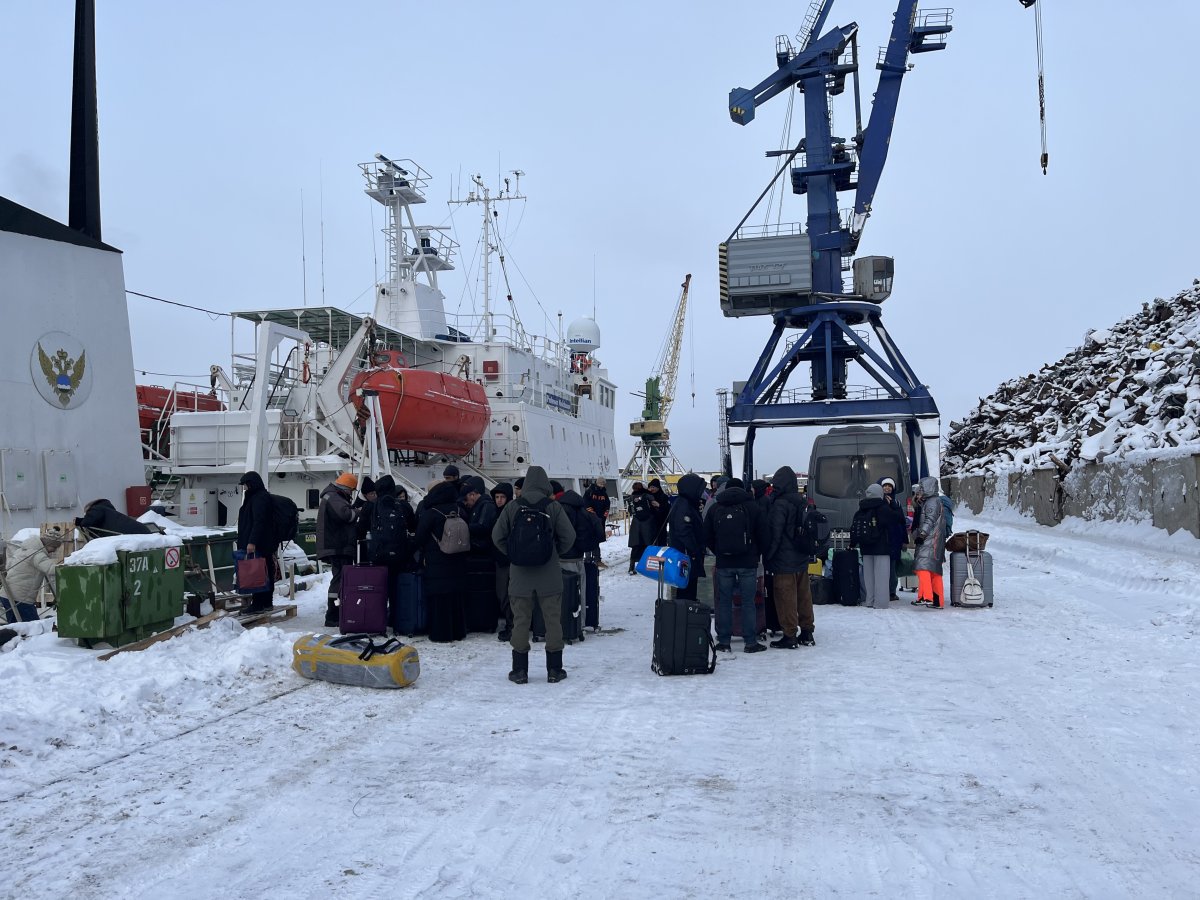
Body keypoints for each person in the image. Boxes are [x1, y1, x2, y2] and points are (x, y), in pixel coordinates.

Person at [492, 465, 576, 684]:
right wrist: (553, 553)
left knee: (520, 621)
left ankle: (519, 670)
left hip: (520, 575)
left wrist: (513, 554)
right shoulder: (553, 506)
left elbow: (497, 536)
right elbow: (569, 536)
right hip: (549, 574)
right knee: (553, 622)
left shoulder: (512, 507)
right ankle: (555, 670)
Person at [704, 477, 766, 653]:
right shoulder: (753, 507)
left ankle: (724, 641)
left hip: (724, 562)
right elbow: (764, 533)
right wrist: (755, 553)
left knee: (723, 602)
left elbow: (706, 534)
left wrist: (718, 551)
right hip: (748, 563)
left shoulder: (716, 507)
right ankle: (750, 642)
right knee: (748, 602)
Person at [763, 465, 815, 648]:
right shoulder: (802, 501)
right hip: (801, 556)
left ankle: (790, 635)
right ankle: (807, 632)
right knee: (804, 596)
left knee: (785, 596)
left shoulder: (780, 504)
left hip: (783, 560)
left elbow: (775, 534)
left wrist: (768, 556)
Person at [413, 479, 468, 642]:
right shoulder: (460, 509)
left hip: (437, 562)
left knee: (439, 600)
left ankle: (441, 634)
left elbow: (419, 537)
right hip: (459, 561)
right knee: (455, 598)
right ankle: (459, 632)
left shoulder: (432, 512)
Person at [316, 472, 359, 627]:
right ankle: (333, 615)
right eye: (352, 491)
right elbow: (346, 515)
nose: (352, 494)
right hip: (338, 546)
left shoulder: (331, 496)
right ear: (347, 487)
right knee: (339, 580)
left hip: (336, 545)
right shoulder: (334, 497)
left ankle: (335, 613)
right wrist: (359, 511)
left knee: (339, 579)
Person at [852, 484, 902, 609]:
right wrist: (893, 505)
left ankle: (870, 600)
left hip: (866, 547)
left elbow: (854, 526)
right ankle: (880, 603)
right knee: (881, 576)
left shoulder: (861, 508)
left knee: (868, 576)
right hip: (881, 547)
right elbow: (898, 518)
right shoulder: (883, 507)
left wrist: (852, 544)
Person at [236, 470, 279, 615]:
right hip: (264, 543)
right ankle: (266, 602)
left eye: (246, 485)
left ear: (252, 484)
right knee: (265, 572)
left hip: (260, 544)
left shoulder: (258, 498)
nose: (244, 488)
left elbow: (259, 521)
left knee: (258, 574)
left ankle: (259, 603)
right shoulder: (258, 497)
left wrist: (252, 542)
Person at [460, 475, 500, 634]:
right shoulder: (484, 505)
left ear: (473, 494)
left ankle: (482, 621)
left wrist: (463, 527)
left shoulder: (485, 506)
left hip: (482, 555)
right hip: (481, 556)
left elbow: (483, 527)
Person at [1, 533, 60, 623]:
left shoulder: (21, 550)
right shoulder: (36, 554)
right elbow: (51, 568)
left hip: (7, 595)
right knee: (32, 626)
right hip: (20, 598)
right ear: (47, 544)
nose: (54, 550)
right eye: (54, 547)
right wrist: (67, 567)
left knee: (14, 626)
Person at [665, 472, 706, 601]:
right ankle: (685, 616)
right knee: (686, 591)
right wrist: (695, 550)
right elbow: (683, 531)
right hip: (687, 556)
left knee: (687, 589)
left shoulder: (685, 503)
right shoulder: (684, 506)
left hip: (687, 555)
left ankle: (685, 614)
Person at [911, 476, 947, 608]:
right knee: (933, 570)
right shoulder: (933, 501)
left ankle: (927, 597)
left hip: (930, 539)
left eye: (921, 488)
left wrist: (922, 534)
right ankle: (936, 600)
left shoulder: (932, 502)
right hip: (934, 539)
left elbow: (929, 520)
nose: (919, 491)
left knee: (922, 567)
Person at [491, 482, 515, 640]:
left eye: (502, 497)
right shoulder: (498, 512)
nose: (499, 500)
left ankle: (511, 626)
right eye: (497, 497)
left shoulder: (506, 514)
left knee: (505, 594)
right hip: (503, 559)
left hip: (506, 560)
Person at [879, 477, 906, 602]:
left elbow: (901, 521)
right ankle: (881, 590)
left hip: (895, 539)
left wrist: (905, 540)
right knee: (882, 567)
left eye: (890, 486)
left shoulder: (897, 502)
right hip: (882, 539)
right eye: (885, 486)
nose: (887, 488)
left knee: (892, 568)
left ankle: (891, 592)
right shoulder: (878, 501)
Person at [75, 498, 151, 536]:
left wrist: (78, 521)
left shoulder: (97, 509)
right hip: (142, 531)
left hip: (135, 534)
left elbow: (88, 521)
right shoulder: (109, 513)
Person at [626, 481, 656, 574]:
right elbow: (654, 505)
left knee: (636, 545)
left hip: (636, 523)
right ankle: (648, 567)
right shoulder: (647, 496)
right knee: (648, 544)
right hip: (647, 523)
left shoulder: (630, 498)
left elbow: (630, 511)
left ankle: (631, 567)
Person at [353, 476, 378, 559]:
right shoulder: (358, 507)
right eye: (372, 494)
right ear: (365, 495)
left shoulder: (374, 504)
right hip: (361, 543)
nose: (375, 496)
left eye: (375, 493)